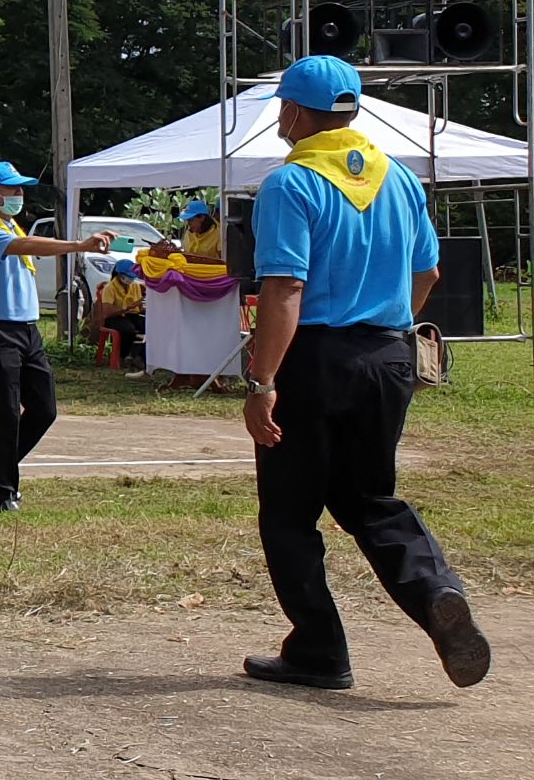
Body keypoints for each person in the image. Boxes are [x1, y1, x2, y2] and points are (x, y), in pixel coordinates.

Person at [240, 55, 489, 693]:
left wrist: (262, 381)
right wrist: (385, 333)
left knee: (291, 512)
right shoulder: (402, 180)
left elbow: (286, 288)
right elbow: (427, 273)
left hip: (316, 358)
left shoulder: (291, 184)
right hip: (389, 355)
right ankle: (437, 592)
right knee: (371, 498)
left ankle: (319, 650)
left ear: (294, 112)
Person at [0, 161, 110, 512]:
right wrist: (79, 244)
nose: (20, 195)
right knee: (7, 413)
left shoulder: (9, 223)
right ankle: (2, 493)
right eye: (13, 189)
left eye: (20, 188)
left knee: (44, 409)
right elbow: (28, 246)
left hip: (27, 331)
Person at [92, 259, 146, 368]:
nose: (130, 279)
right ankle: (122, 356)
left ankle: (138, 356)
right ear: (120, 275)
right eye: (128, 276)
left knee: (149, 326)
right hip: (114, 317)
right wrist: (126, 307)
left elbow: (139, 308)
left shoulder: (135, 286)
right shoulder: (110, 288)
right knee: (128, 330)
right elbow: (107, 312)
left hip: (132, 315)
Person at [149, 199, 223, 263]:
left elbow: (222, 260)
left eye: (191, 220)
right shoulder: (189, 232)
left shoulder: (219, 233)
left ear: (202, 218)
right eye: (187, 221)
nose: (189, 224)